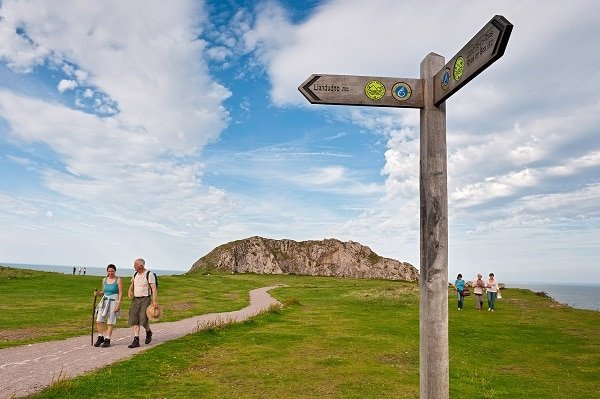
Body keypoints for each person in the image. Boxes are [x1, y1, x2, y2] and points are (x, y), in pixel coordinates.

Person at [127, 258, 158, 348]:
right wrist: (130, 290)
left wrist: (154, 301)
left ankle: (148, 331)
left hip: (145, 299)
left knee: (143, 320)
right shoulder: (135, 274)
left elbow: (153, 288)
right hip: (135, 299)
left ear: (141, 265)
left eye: (135, 265)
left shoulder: (149, 274)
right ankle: (136, 340)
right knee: (134, 319)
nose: (134, 267)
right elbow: (132, 283)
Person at [93, 264, 123, 347]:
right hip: (104, 301)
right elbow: (103, 291)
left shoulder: (118, 280)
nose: (110, 273)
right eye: (109, 271)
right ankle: (100, 337)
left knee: (110, 321)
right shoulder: (104, 280)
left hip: (114, 301)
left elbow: (120, 292)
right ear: (107, 271)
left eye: (112, 271)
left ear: (115, 271)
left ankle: (107, 339)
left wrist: (118, 304)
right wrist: (98, 293)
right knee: (99, 320)